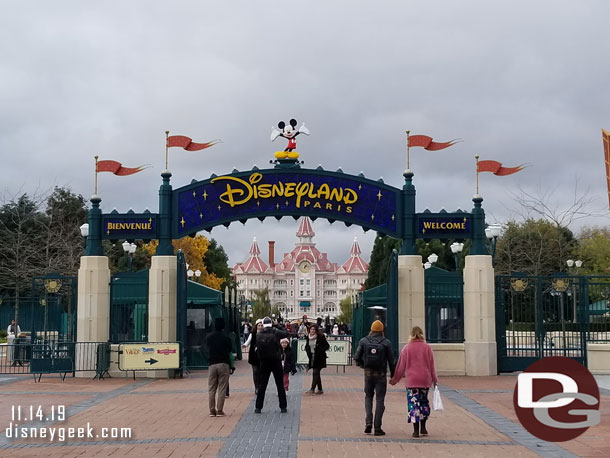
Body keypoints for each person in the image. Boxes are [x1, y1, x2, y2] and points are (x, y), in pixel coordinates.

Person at [390, 326, 438, 438]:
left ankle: (415, 430)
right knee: (424, 402)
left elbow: (401, 367)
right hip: (425, 380)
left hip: (412, 381)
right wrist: (435, 380)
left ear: (411, 335)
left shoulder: (407, 348)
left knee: (413, 404)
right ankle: (423, 427)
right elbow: (432, 366)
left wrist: (395, 379)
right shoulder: (427, 348)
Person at [354, 320, 396, 436]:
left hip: (368, 374)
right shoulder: (386, 342)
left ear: (371, 329)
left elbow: (356, 357)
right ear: (382, 330)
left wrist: (363, 365)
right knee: (380, 399)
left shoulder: (364, 341)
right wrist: (393, 374)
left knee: (368, 397)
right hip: (381, 375)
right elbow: (391, 360)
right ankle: (377, 427)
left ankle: (368, 422)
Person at [254, 316, 290, 413]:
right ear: (271, 324)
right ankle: (283, 407)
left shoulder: (259, 334)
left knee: (262, 385)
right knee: (280, 384)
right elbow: (286, 333)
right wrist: (277, 325)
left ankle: (258, 407)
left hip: (264, 361)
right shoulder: (276, 332)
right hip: (276, 360)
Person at [205, 317, 233, 417]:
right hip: (223, 363)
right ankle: (220, 410)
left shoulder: (209, 337)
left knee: (211, 388)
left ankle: (212, 410)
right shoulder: (226, 337)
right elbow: (230, 350)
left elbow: (205, 348)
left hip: (212, 364)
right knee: (222, 388)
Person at [304, 324, 330, 395]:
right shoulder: (308, 337)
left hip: (319, 357)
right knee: (317, 373)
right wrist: (307, 350)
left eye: (314, 329)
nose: (312, 331)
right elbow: (307, 346)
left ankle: (312, 389)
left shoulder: (320, 337)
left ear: (316, 330)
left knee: (315, 372)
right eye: (311, 329)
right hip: (312, 357)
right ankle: (320, 389)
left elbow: (327, 346)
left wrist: (319, 349)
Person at [246, 319, 264, 394]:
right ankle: (256, 387)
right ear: (256, 326)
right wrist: (245, 344)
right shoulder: (252, 334)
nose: (260, 327)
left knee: (261, 372)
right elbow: (248, 341)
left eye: (261, 325)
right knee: (255, 371)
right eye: (258, 325)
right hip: (254, 355)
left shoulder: (264, 334)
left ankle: (260, 386)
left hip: (262, 355)